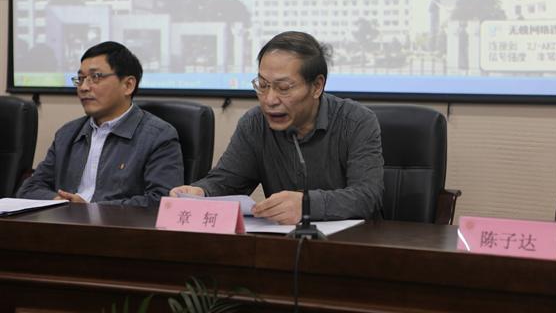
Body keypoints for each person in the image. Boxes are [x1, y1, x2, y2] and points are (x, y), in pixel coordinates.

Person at [170, 31, 384, 224]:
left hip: (351, 244)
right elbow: (227, 182)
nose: (269, 99)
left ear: (317, 86)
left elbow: (367, 197)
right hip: (283, 244)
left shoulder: (356, 122)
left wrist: (307, 205)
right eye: (263, 85)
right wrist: (200, 192)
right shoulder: (255, 124)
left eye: (283, 88)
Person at [17, 41, 184, 206]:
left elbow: (161, 201)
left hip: (116, 224)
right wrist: (61, 202)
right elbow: (29, 189)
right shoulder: (67, 134)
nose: (83, 87)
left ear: (128, 85)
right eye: (80, 79)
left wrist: (91, 210)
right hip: (64, 220)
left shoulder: (158, 136)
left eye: (95, 77)